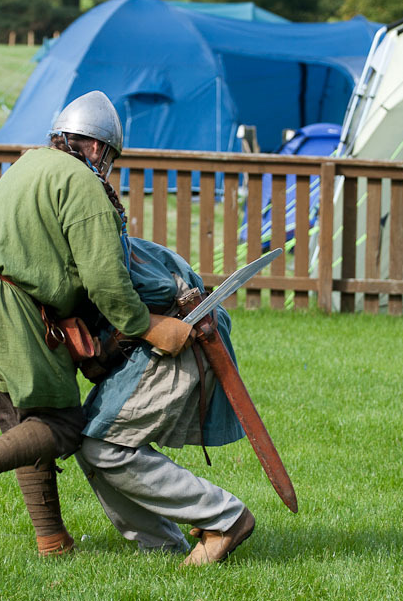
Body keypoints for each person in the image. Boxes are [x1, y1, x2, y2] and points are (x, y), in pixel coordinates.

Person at [0, 90, 194, 557]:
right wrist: (148, 326)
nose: (108, 165)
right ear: (96, 147)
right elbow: (105, 279)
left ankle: (51, 541)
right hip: (9, 306)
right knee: (65, 424)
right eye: (110, 155)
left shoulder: (28, 164)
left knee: (23, 422)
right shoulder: (82, 181)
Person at [75, 237, 255, 566]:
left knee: (101, 446)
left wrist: (127, 333)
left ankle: (224, 518)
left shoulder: (90, 217)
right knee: (89, 445)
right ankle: (162, 545)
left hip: (181, 334)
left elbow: (156, 290)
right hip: (149, 339)